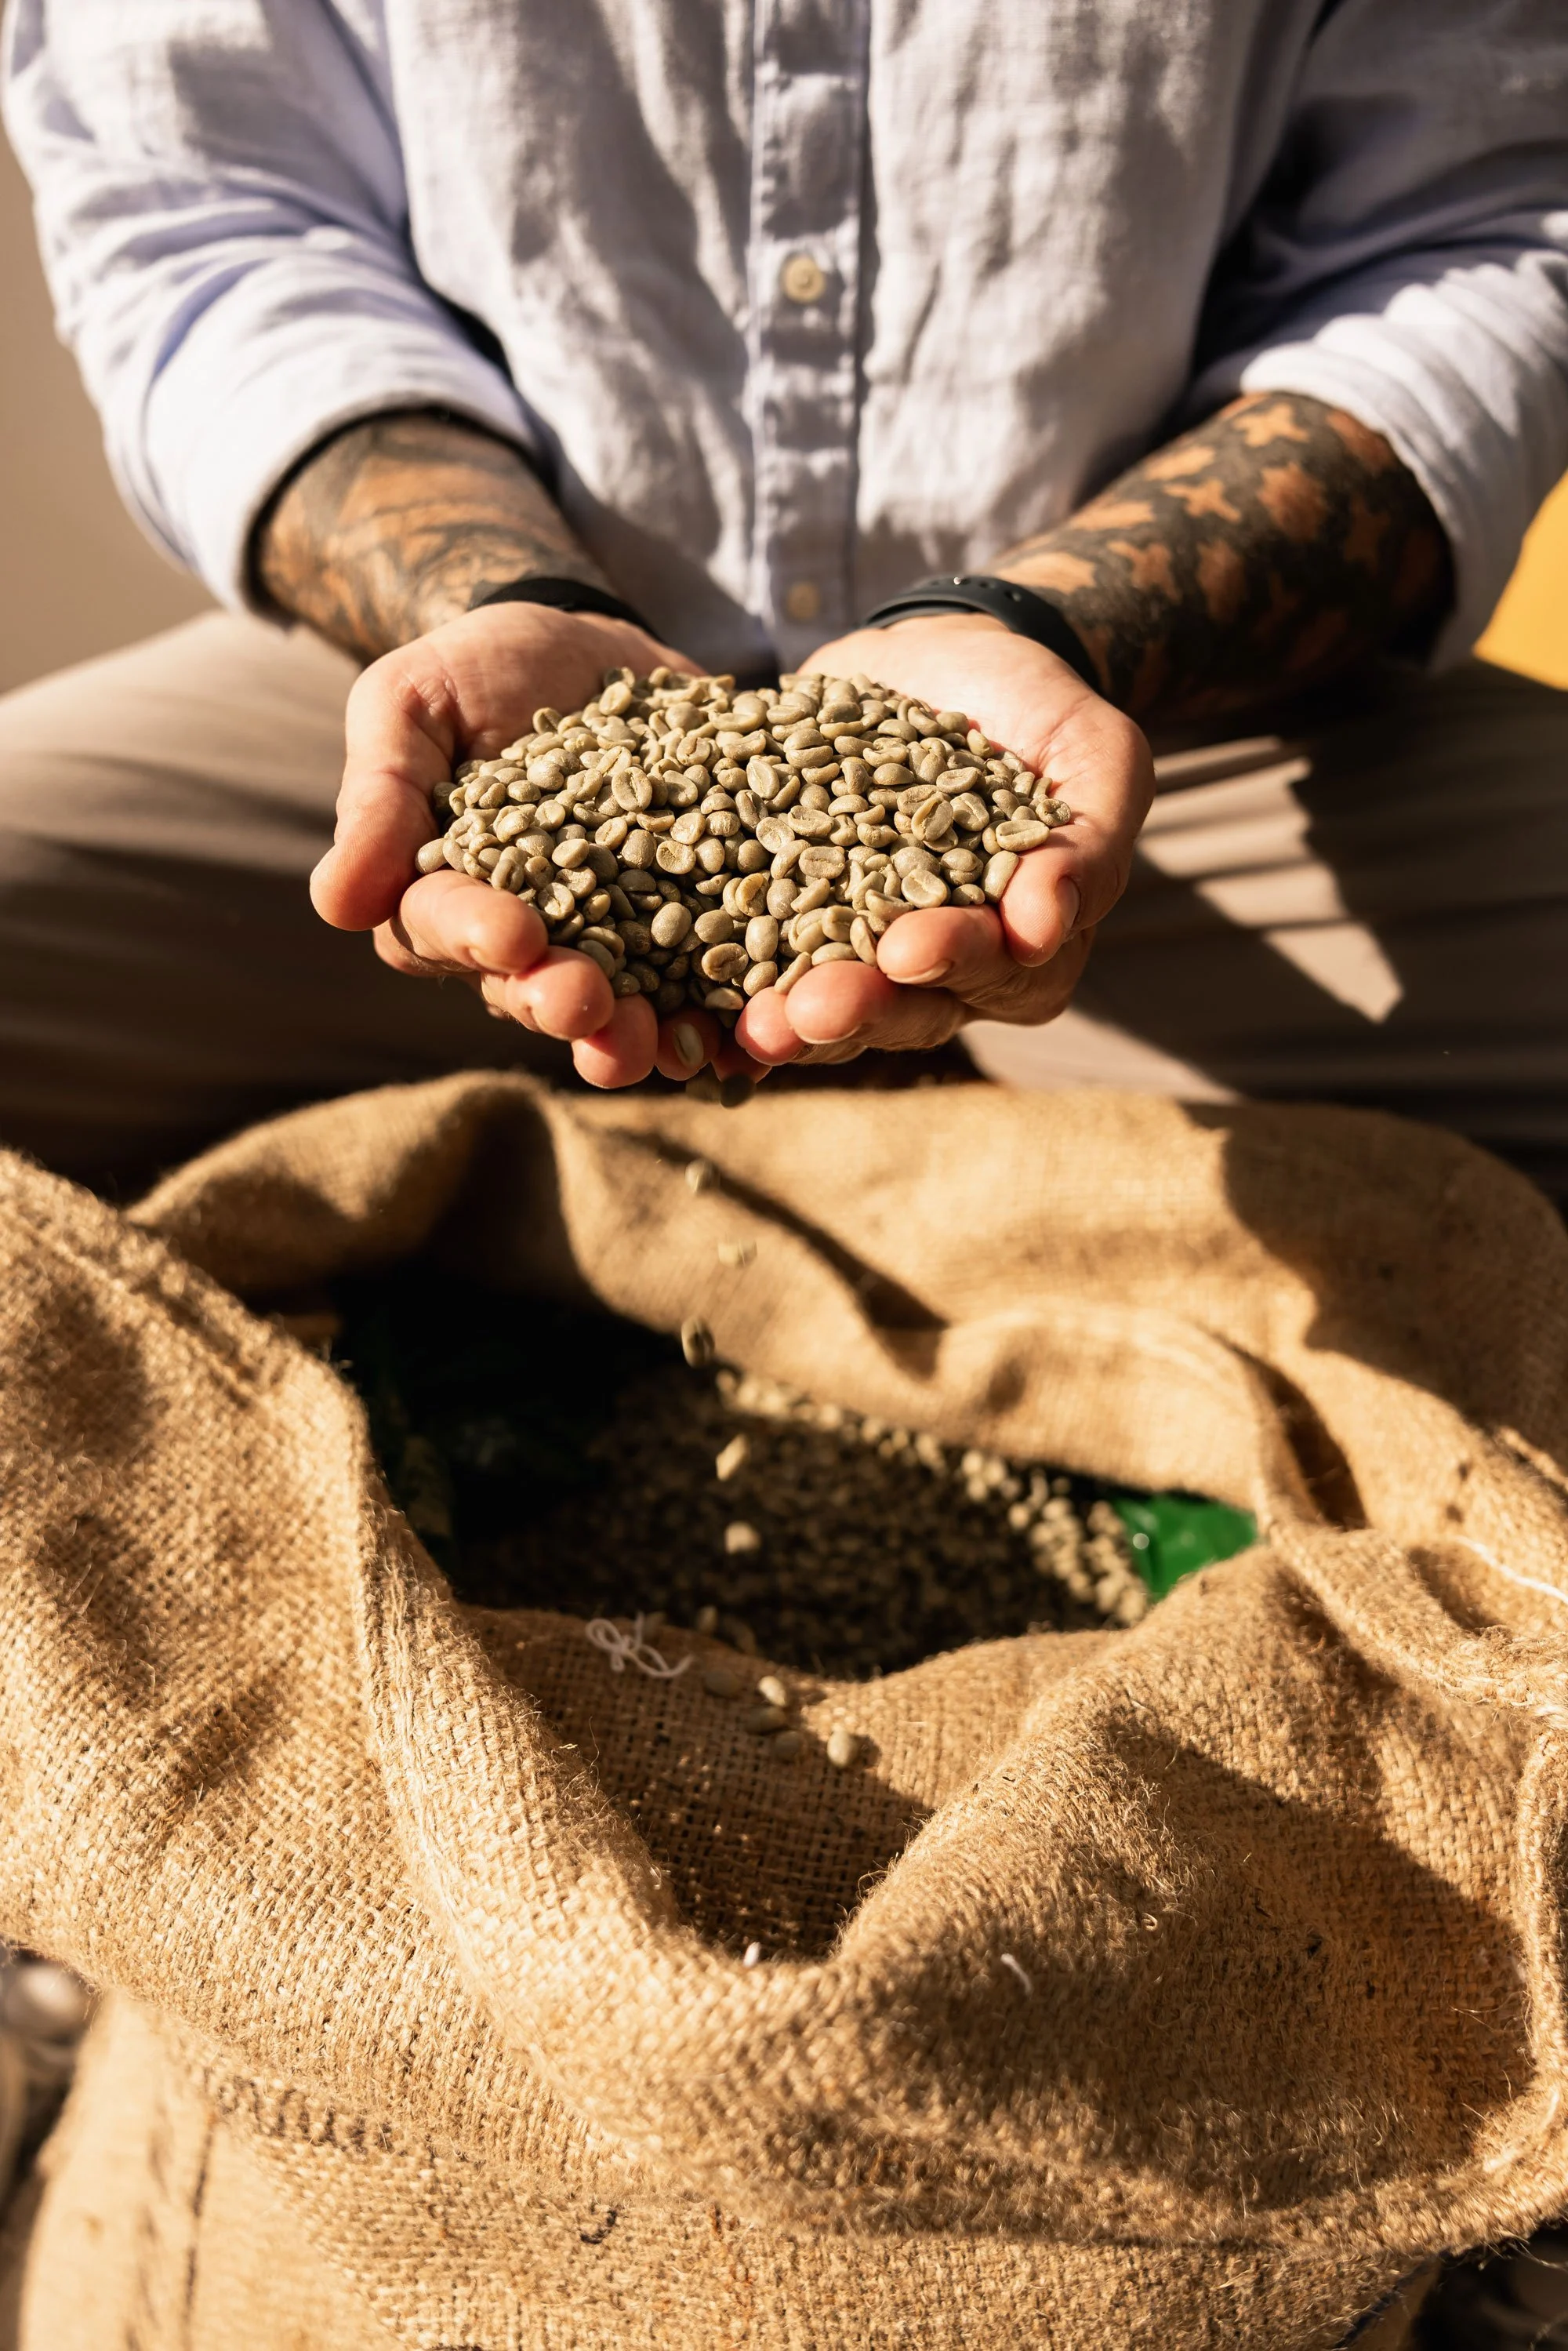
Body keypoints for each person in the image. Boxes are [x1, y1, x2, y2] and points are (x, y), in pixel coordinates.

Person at [1, 0, 1566, 1197]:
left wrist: (1044, 627)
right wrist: (492, 591)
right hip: (452, 688)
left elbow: (1482, 233)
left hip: (1161, 718)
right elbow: (211, 218)